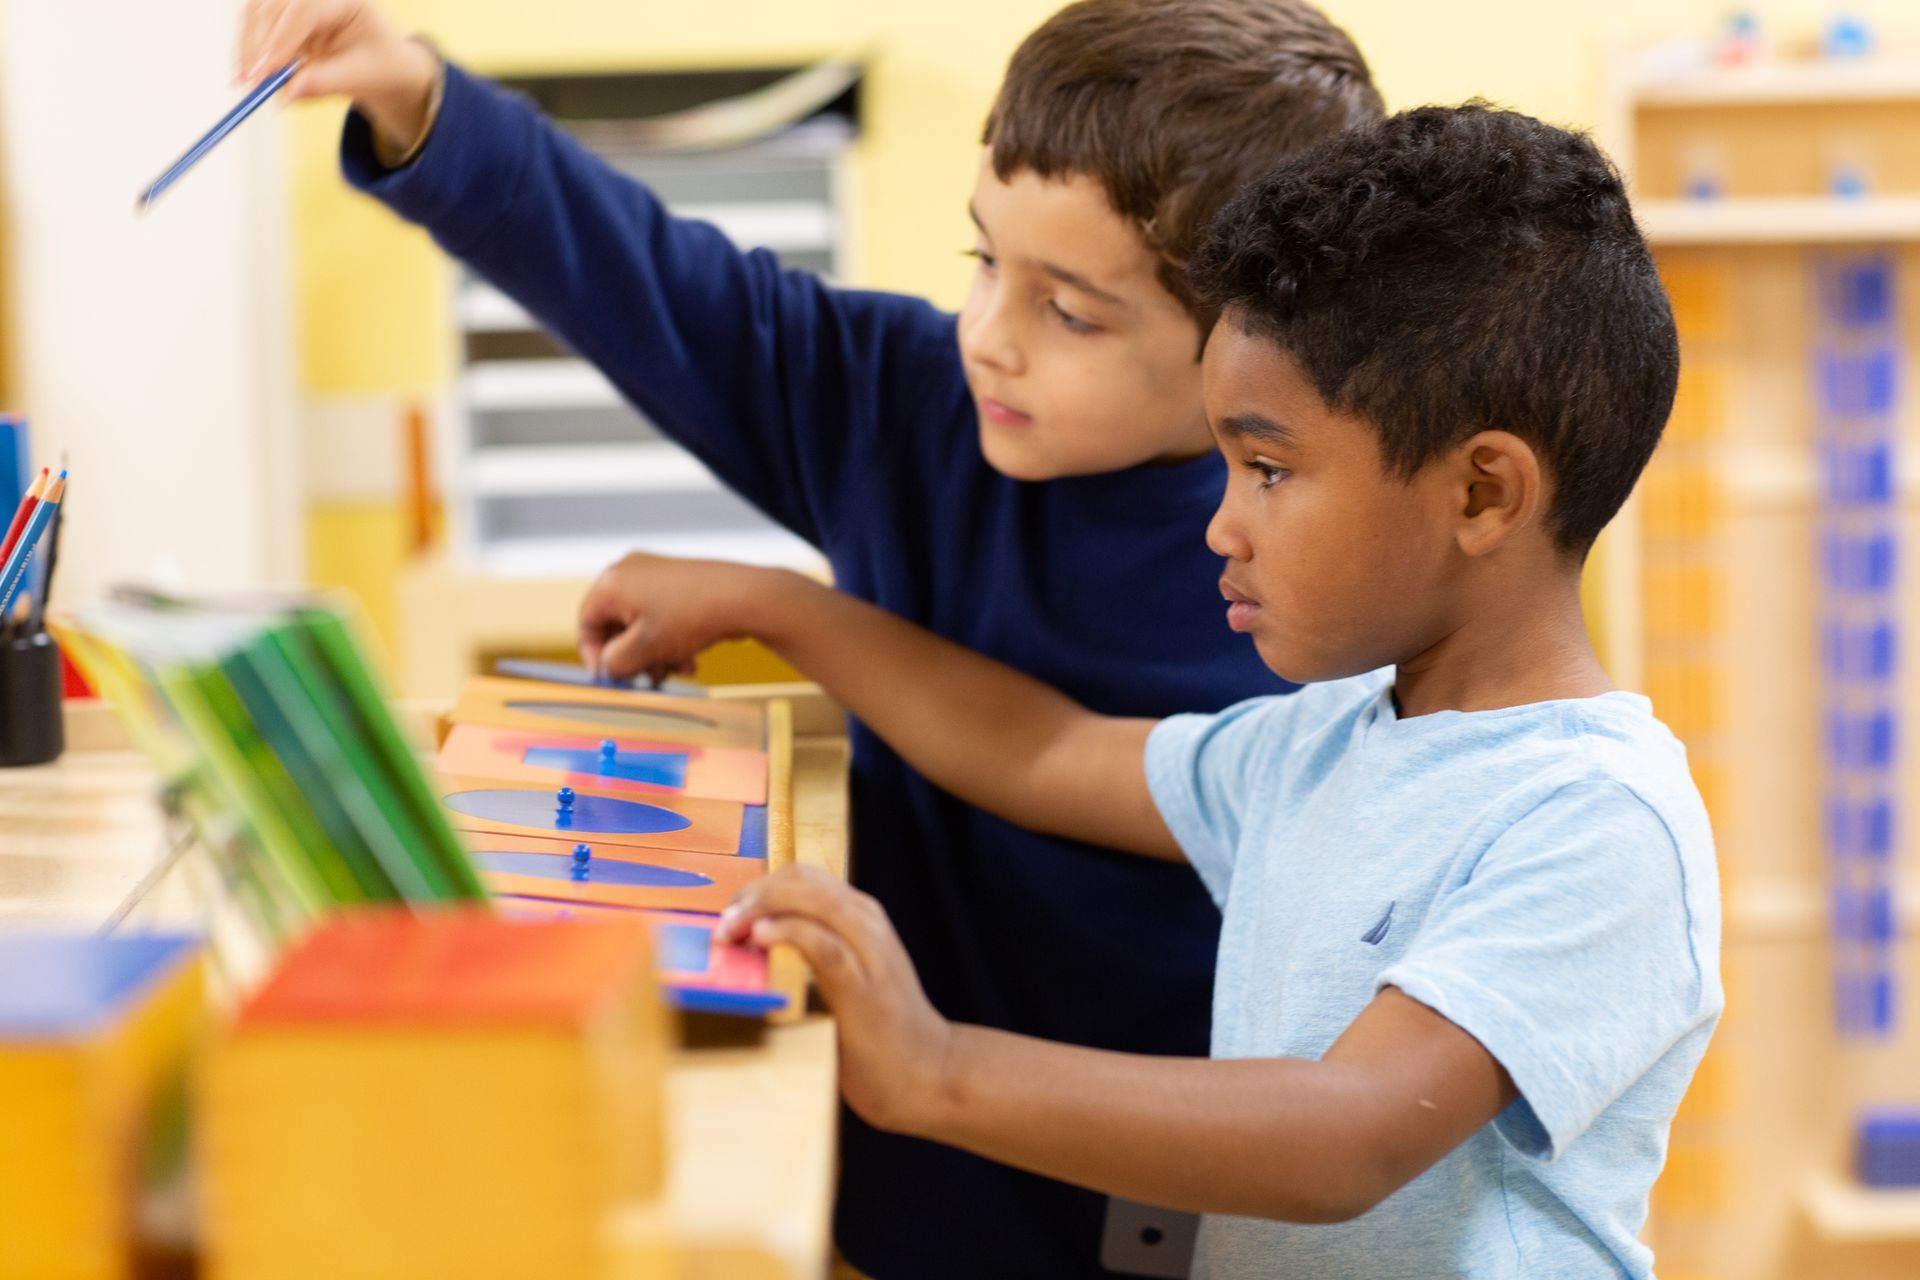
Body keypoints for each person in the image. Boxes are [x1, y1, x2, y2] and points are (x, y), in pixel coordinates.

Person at [235, 2, 1382, 1272]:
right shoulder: (914, 406)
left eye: (1072, 312)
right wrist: (417, 97)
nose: (990, 333)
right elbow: (664, 284)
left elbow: (1076, 767)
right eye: (983, 258)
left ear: (1253, 353)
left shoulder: (1307, 585)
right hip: (876, 1182)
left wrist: (786, 609)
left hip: (1144, 1214)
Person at [608, 104, 1724, 1278]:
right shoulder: (1315, 746)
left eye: (1270, 468)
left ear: (1484, 492)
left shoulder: (1599, 819)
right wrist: (781, 608)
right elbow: (1042, 751)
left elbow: (1351, 1133)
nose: (1221, 525)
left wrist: (937, 1068)